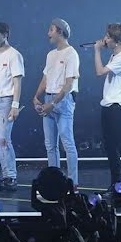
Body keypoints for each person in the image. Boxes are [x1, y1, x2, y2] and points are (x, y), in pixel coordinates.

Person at [33, 18, 80, 190]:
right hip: (49, 99)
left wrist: (53, 103)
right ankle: (54, 182)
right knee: (50, 145)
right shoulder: (50, 55)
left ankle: (73, 182)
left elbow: (69, 84)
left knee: (67, 142)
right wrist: (36, 96)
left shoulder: (71, 53)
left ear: (60, 31)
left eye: (51, 30)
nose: (48, 33)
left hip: (63, 101)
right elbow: (45, 78)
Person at [93, 23, 121, 194]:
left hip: (118, 107)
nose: (105, 39)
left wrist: (97, 51)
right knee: (110, 146)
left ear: (116, 41)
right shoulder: (114, 55)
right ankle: (115, 184)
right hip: (109, 105)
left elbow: (99, 72)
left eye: (108, 37)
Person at [0, 23, 24, 192]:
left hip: (6, 101)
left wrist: (15, 105)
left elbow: (17, 82)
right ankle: (6, 176)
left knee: (3, 139)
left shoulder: (14, 55)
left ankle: (11, 177)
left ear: (5, 34)